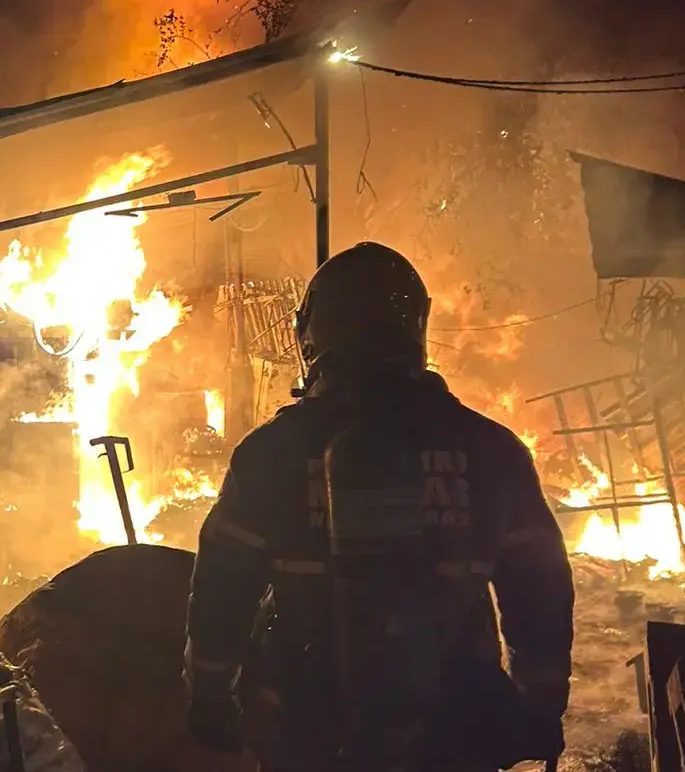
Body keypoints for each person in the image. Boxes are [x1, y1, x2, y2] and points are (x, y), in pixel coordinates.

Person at [183, 242, 575, 772]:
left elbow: (223, 584)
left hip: (309, 726)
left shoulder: (271, 452)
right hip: (454, 727)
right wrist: (540, 702)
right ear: (416, 327)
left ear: (312, 332)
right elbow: (540, 587)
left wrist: (209, 691)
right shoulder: (489, 449)